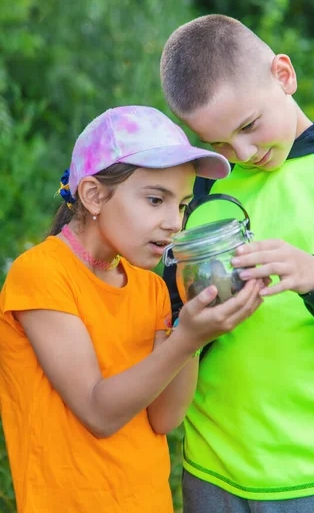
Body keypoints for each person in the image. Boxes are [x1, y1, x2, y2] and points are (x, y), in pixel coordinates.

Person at [160, 15, 314, 513]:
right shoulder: (198, 186)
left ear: (284, 75)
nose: (243, 153)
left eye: (248, 126)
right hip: (214, 470)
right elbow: (168, 316)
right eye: (219, 143)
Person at [0, 105, 263, 513]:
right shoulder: (41, 274)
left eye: (181, 205)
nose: (174, 223)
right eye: (156, 200)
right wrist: (187, 338)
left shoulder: (151, 287)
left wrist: (194, 332)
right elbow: (98, 413)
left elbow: (163, 418)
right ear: (93, 195)